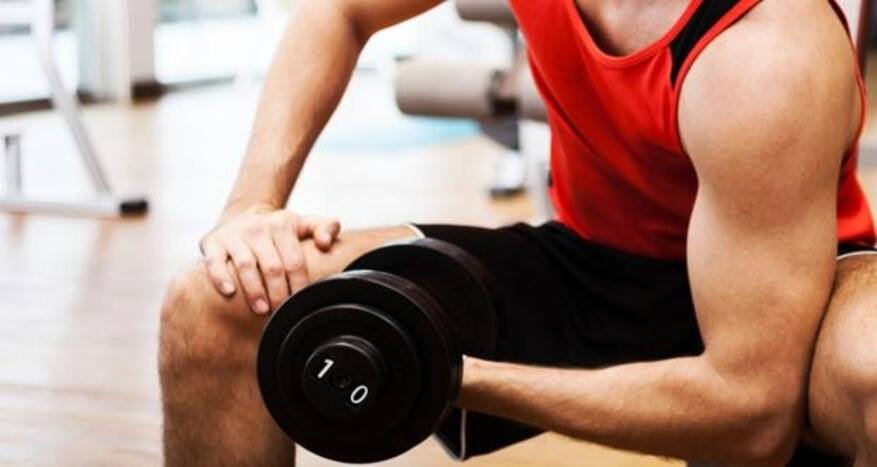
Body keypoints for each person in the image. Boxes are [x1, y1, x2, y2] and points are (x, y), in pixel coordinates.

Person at [157, 0, 877, 465]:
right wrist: (251, 204)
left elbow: (753, 418)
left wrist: (452, 374)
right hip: (589, 265)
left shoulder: (766, 52)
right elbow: (339, 11)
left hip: (798, 285)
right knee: (218, 303)